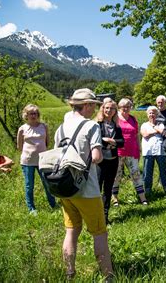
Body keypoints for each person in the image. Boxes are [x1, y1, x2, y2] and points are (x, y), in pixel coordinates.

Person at [55, 88, 113, 279]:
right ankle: (108, 276)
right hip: (87, 190)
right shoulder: (91, 126)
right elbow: (96, 157)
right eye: (93, 105)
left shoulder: (60, 128)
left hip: (65, 188)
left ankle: (69, 272)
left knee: (71, 231)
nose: (94, 109)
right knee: (99, 233)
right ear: (86, 105)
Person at [17, 104, 56, 215]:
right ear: (26, 115)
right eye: (31, 113)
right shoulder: (22, 128)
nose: (33, 115)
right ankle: (31, 208)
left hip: (42, 160)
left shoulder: (44, 126)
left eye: (35, 113)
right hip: (27, 161)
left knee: (47, 183)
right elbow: (19, 146)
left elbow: (47, 142)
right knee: (29, 185)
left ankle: (53, 204)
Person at [112, 98, 148, 206]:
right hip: (118, 152)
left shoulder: (133, 119)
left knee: (136, 174)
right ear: (119, 107)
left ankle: (143, 198)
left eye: (128, 106)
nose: (126, 109)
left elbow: (136, 134)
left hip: (132, 151)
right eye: (123, 107)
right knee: (117, 175)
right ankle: (114, 198)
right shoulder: (115, 118)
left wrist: (139, 147)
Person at [95, 98, 124, 224]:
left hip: (113, 160)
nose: (109, 110)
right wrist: (108, 143)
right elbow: (95, 141)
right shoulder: (97, 125)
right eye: (106, 108)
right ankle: (94, 216)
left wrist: (113, 142)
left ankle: (105, 217)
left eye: (111, 108)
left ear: (115, 111)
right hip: (100, 161)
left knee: (108, 189)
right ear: (102, 109)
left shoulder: (116, 126)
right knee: (96, 188)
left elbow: (122, 142)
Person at [141, 105, 166, 195]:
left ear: (157, 114)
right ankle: (148, 189)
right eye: (150, 113)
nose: (152, 114)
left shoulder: (161, 124)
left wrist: (154, 131)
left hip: (160, 150)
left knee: (163, 170)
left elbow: (163, 132)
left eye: (154, 113)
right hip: (148, 151)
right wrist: (156, 131)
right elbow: (145, 135)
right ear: (147, 114)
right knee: (147, 171)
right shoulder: (144, 125)